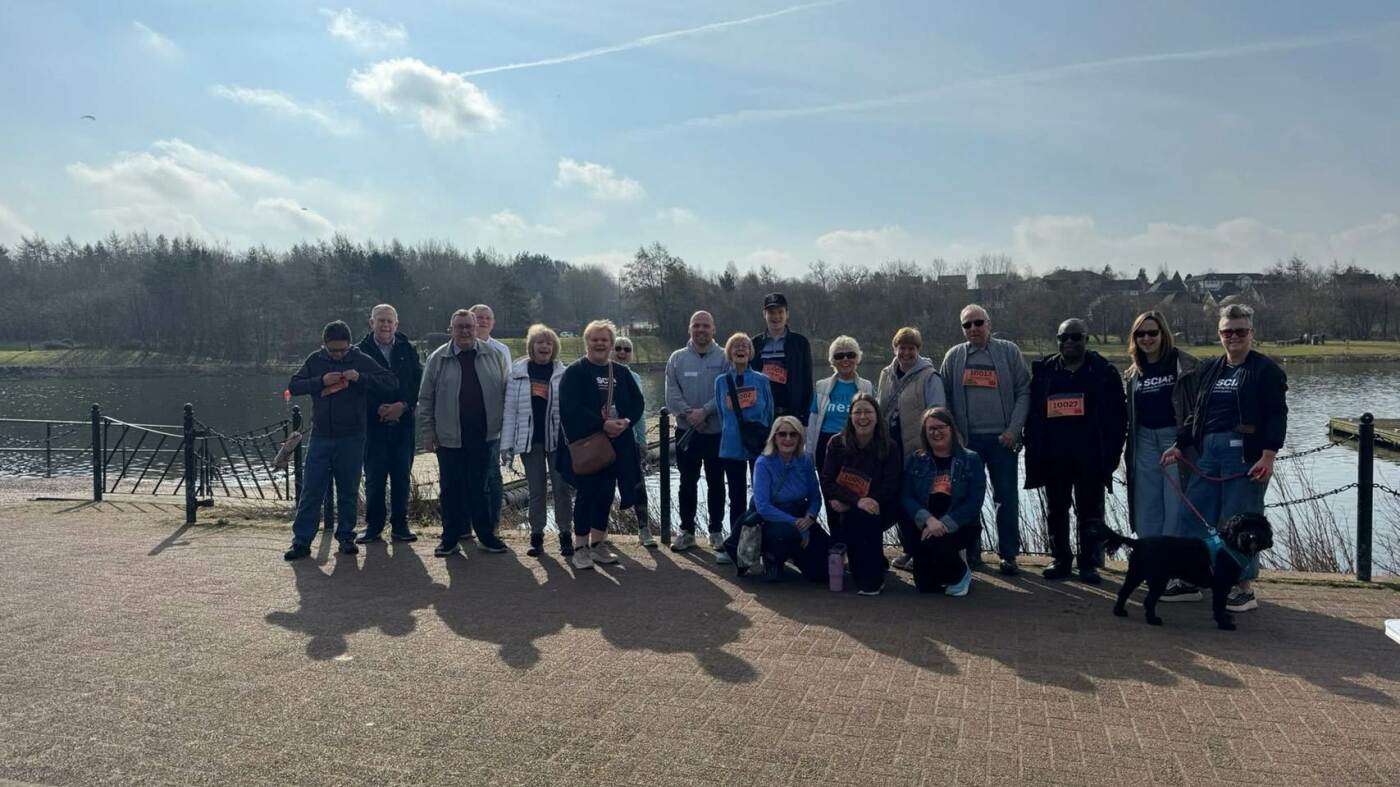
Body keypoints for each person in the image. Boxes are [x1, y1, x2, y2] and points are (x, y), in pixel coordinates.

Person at [1163, 303, 1286, 613]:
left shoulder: (1266, 370)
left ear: (1251, 333)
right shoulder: (1211, 369)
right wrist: (1180, 445)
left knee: (1240, 523)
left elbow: (1276, 415)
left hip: (1245, 457)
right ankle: (1189, 580)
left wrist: (1268, 455)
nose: (1234, 337)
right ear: (1219, 334)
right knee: (1193, 517)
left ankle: (1243, 588)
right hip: (1208, 455)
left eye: (1240, 331)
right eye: (1228, 331)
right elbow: (1196, 413)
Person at [283, 320, 398, 560]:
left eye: (343, 350)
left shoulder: (360, 359)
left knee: (348, 490)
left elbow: (390, 382)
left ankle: (346, 537)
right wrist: (321, 381)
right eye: (333, 350)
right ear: (323, 344)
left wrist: (360, 377)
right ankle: (302, 541)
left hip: (352, 436)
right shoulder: (315, 360)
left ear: (350, 345)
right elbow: (294, 386)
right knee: (311, 490)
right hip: (321, 436)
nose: (338, 355)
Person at [1024, 318, 1127, 583]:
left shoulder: (1104, 372)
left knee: (1090, 513)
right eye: (1063, 338)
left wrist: (1113, 456)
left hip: (1090, 458)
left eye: (1075, 337)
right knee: (1056, 511)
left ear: (1086, 339)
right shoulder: (1045, 370)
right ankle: (1061, 559)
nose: (1069, 342)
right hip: (1054, 458)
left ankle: (1089, 563)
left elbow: (1119, 419)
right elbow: (1033, 414)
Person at [940, 304, 1031, 576]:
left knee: (1006, 499)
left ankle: (1009, 555)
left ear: (988, 324)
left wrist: (1013, 430)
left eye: (978, 323)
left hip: (1002, 441)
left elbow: (1024, 391)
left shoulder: (1008, 351)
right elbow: (943, 397)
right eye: (966, 325)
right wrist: (954, 434)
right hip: (967, 443)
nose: (973, 329)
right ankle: (972, 552)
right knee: (968, 500)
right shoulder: (954, 357)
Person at [418, 309, 512, 558]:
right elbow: (425, 398)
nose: (465, 331)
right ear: (451, 328)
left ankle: (486, 535)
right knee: (450, 488)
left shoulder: (494, 355)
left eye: (469, 326)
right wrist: (428, 431)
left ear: (476, 328)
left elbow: (506, 393)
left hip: (484, 435)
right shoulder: (438, 359)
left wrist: (508, 431)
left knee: (480, 488)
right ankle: (450, 538)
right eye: (460, 327)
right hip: (449, 436)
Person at [557, 320, 645, 571]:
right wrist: (601, 424)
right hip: (589, 445)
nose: (599, 344)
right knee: (587, 494)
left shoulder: (621, 372)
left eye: (604, 340)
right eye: (594, 339)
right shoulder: (575, 373)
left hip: (618, 444)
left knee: (607, 494)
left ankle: (599, 543)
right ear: (587, 342)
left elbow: (637, 403)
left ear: (610, 343)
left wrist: (626, 421)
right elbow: (569, 409)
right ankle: (580, 547)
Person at [1124, 310, 1200, 539]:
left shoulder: (1187, 364)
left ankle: (1174, 566)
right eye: (1140, 334)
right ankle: (1150, 562)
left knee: (1176, 504)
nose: (1146, 338)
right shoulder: (1133, 373)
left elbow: (1199, 409)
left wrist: (1182, 441)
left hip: (1175, 442)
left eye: (1152, 333)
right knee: (1147, 505)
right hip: (1144, 440)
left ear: (1163, 334)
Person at [877, 326, 946, 570]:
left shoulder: (929, 376)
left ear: (918, 349)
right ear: (894, 348)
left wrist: (930, 448)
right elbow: (881, 406)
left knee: (919, 501)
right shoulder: (886, 374)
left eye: (911, 348)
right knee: (899, 501)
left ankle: (921, 552)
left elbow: (938, 413)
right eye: (902, 347)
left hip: (918, 450)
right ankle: (908, 549)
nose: (906, 352)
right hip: (892, 449)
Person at [501, 323, 572, 558]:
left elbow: (571, 411)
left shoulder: (563, 373)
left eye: (549, 342)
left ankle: (565, 535)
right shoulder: (517, 373)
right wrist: (506, 445)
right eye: (540, 342)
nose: (545, 346)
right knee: (536, 489)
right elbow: (510, 411)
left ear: (554, 347)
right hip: (530, 441)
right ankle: (537, 536)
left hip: (558, 440)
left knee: (562, 488)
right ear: (532, 346)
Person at [355, 304, 423, 544]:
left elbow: (418, 383)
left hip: (403, 424)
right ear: (371, 322)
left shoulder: (408, 349)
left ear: (397, 324)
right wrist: (377, 409)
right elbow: (357, 387)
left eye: (389, 321)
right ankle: (373, 526)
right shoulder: (359, 351)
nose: (385, 325)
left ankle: (400, 526)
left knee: (401, 475)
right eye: (380, 320)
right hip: (372, 425)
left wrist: (402, 406)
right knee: (374, 476)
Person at [820, 394, 901, 595]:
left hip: (881, 505)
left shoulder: (889, 446)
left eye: (868, 412)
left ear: (877, 416)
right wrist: (856, 501)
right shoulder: (836, 444)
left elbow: (892, 484)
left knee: (867, 517)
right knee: (853, 517)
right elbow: (827, 481)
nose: (862, 417)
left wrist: (869, 500)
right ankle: (864, 567)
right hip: (850, 506)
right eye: (857, 412)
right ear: (850, 417)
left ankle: (874, 579)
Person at [901, 408, 987, 596]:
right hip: (925, 525)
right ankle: (942, 563)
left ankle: (961, 573)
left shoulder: (970, 459)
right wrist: (928, 520)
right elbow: (906, 496)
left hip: (959, 525)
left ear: (952, 429)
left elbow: (974, 502)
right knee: (926, 587)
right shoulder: (916, 459)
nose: (936, 432)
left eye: (941, 427)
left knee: (938, 546)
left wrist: (944, 524)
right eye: (930, 429)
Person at [664, 311, 729, 553]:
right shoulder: (677, 358)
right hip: (686, 433)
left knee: (716, 483)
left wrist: (705, 412)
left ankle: (715, 530)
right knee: (686, 482)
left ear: (714, 329)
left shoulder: (725, 357)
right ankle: (687, 531)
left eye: (706, 326)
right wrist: (690, 415)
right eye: (696, 326)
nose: (701, 330)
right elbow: (671, 394)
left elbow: (727, 391)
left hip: (716, 433)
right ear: (690, 329)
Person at [715, 332, 775, 564]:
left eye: (745, 346)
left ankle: (760, 546)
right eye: (735, 346)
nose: (740, 349)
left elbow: (769, 412)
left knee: (760, 497)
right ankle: (736, 544)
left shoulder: (762, 380)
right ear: (729, 353)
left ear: (751, 353)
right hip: (731, 448)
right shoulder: (721, 382)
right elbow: (722, 415)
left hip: (758, 446)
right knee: (736, 497)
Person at [751, 415, 829, 583]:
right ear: (774, 437)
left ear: (800, 437)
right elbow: (763, 507)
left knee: (823, 573)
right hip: (774, 519)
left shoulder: (806, 461)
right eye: (782, 434)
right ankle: (773, 558)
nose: (788, 439)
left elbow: (816, 497)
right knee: (786, 534)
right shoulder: (763, 463)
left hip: (801, 515)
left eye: (793, 434)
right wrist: (796, 524)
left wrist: (810, 517)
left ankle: (796, 556)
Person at [470, 304, 510, 540]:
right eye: (479, 317)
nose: (483, 321)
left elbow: (507, 385)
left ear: (493, 322)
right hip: (465, 422)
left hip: (493, 422)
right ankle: (468, 524)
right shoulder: (457, 347)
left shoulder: (501, 349)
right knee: (466, 473)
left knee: (492, 473)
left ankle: (493, 524)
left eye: (487, 318)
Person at [806, 335, 875, 469]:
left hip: (856, 443)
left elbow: (873, 419)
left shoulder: (867, 386)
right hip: (826, 445)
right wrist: (809, 452)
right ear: (832, 360)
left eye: (850, 355)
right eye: (839, 356)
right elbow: (813, 422)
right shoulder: (821, 386)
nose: (845, 359)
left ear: (857, 358)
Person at [612, 336, 655, 548]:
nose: (622, 352)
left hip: (629, 438)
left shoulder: (634, 377)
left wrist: (642, 441)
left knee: (638, 484)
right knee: (603, 484)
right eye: (617, 348)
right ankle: (599, 529)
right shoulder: (601, 374)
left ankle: (644, 528)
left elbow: (640, 413)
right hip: (605, 439)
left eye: (626, 349)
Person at [751, 293, 814, 424]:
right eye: (771, 312)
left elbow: (807, 381)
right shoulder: (754, 344)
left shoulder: (800, 343)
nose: (776, 317)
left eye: (780, 312)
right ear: (764, 314)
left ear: (787, 314)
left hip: (793, 414)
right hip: (763, 415)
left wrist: (805, 417)